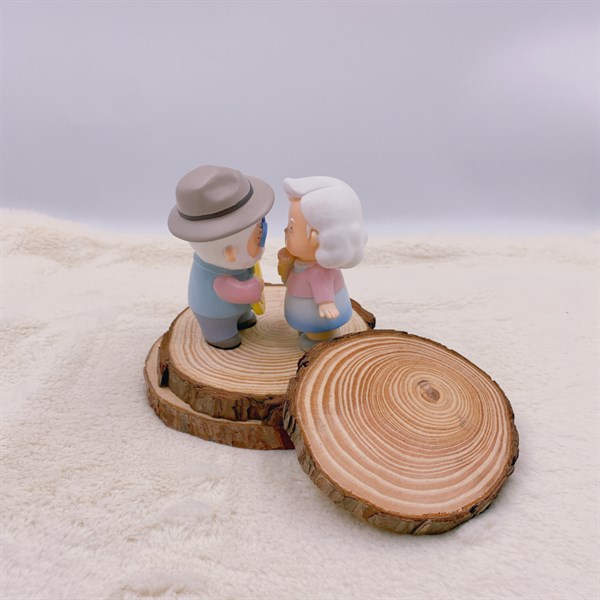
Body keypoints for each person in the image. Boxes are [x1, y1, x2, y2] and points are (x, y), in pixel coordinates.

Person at [168, 165, 273, 349]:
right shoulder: (220, 280)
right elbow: (238, 291)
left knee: (242, 312)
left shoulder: (228, 262)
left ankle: (243, 316)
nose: (263, 237)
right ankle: (219, 334)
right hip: (215, 314)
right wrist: (253, 288)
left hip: (239, 305)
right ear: (230, 253)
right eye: (259, 236)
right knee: (222, 328)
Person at [277, 176, 367, 350]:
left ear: (315, 238)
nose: (286, 230)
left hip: (319, 317)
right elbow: (287, 280)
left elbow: (323, 286)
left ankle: (319, 337)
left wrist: (326, 303)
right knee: (305, 320)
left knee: (317, 324)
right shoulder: (300, 262)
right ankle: (308, 330)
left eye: (292, 228)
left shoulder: (319, 270)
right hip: (303, 311)